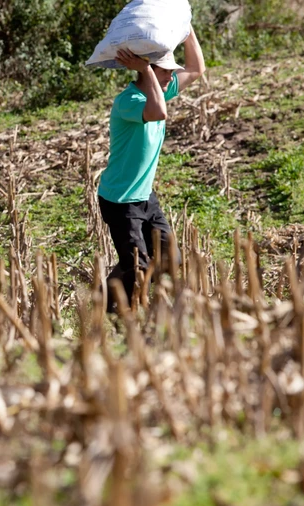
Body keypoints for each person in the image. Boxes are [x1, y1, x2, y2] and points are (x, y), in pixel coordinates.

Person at [98, 26, 205, 312]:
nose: (171, 77)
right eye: (165, 71)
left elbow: (196, 69)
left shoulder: (159, 90)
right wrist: (145, 71)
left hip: (145, 197)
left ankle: (114, 289)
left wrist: (187, 29)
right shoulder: (128, 101)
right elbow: (158, 111)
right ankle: (109, 307)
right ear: (147, 70)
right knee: (137, 266)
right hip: (120, 201)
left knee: (170, 260)